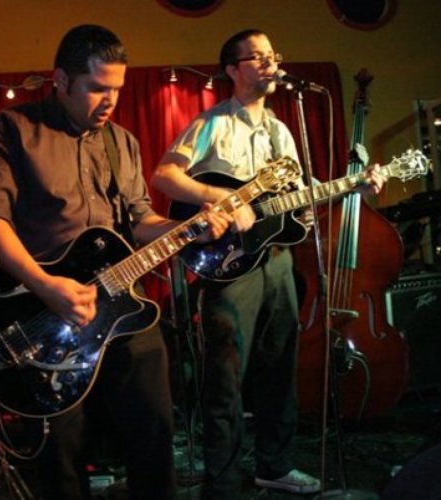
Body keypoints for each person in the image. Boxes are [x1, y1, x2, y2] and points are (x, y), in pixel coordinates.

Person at [0, 24, 229, 500]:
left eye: (118, 89)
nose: (110, 101)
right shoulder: (16, 129)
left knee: (154, 429)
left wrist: (188, 228)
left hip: (121, 302)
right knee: (60, 453)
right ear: (62, 80)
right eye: (97, 88)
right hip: (41, 309)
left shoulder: (121, 141)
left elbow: (140, 220)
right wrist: (45, 285)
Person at [151, 29, 386, 498]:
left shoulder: (281, 130)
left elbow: (295, 201)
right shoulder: (212, 124)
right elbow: (165, 175)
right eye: (256, 57)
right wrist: (221, 198)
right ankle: (223, 482)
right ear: (233, 70)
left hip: (276, 260)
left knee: (280, 365)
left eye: (271, 55)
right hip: (230, 262)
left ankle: (275, 466)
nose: (269, 63)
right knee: (226, 375)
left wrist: (351, 186)